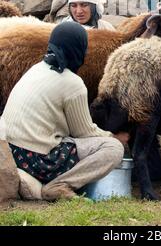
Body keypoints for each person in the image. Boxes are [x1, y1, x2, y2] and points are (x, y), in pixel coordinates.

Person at [2, 21, 129, 201]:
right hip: (39, 160)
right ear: (79, 50)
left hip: (13, 153)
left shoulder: (36, 69)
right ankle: (59, 185)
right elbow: (84, 132)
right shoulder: (73, 83)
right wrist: (113, 136)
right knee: (113, 149)